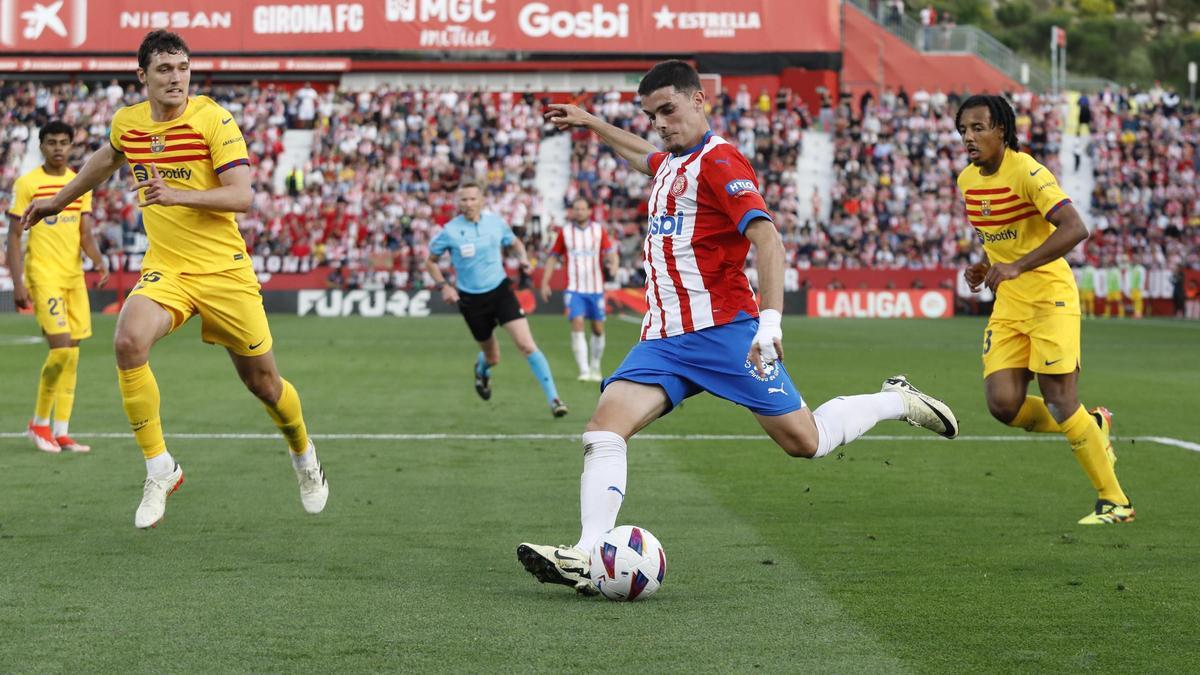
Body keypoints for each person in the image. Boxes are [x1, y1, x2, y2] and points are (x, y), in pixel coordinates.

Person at [517, 60, 959, 595]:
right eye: (652, 114)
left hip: (725, 332)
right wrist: (591, 122)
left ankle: (897, 400)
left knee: (806, 442)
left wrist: (768, 324)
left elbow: (768, 239)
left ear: (699, 100)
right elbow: (642, 155)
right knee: (603, 431)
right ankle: (587, 553)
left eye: (669, 110)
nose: (659, 123)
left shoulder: (720, 161)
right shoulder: (671, 164)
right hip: (663, 338)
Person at [20, 30, 327, 529]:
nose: (176, 78)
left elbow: (242, 196)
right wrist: (58, 200)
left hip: (225, 270)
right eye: (164, 69)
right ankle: (160, 468)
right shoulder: (130, 124)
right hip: (168, 270)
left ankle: (304, 454)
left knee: (264, 384)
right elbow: (106, 158)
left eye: (183, 68)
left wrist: (179, 195)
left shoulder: (213, 119)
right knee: (127, 340)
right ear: (142, 76)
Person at [956, 94, 1132, 526]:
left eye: (978, 128)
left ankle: (1116, 502)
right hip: (1010, 304)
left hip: (1050, 298)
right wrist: (987, 266)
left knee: (1058, 399)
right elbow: (1000, 237)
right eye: (963, 130)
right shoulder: (966, 181)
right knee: (1003, 405)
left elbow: (1076, 228)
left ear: (1001, 129)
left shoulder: (1030, 172)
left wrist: (1016, 265)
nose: (969, 138)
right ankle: (1093, 425)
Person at [5, 120, 109, 453]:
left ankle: (62, 430)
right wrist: (18, 282)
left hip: (72, 276)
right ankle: (38, 423)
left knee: (73, 355)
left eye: (64, 142)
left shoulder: (80, 183)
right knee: (61, 349)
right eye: (52, 142)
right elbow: (14, 237)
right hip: (44, 274)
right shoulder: (27, 184)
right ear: (42, 145)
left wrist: (97, 258)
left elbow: (85, 232)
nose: (59, 148)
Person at [425, 182, 568, 418]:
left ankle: (554, 399)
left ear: (482, 201)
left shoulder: (495, 223)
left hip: (500, 292)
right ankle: (482, 370)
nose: (468, 204)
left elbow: (514, 243)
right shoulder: (450, 231)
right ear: (458, 203)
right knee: (493, 357)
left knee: (526, 344)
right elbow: (430, 262)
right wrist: (444, 286)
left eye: (472, 199)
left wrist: (523, 259)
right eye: (464, 200)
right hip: (471, 300)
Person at [538, 198, 619, 382]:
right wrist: (545, 283)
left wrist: (614, 266)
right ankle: (583, 370)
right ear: (572, 211)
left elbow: (610, 253)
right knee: (577, 323)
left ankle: (595, 367)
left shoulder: (599, 230)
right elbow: (552, 258)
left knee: (598, 329)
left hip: (596, 288)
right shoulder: (565, 232)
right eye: (576, 209)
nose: (579, 212)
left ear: (590, 211)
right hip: (574, 288)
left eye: (583, 208)